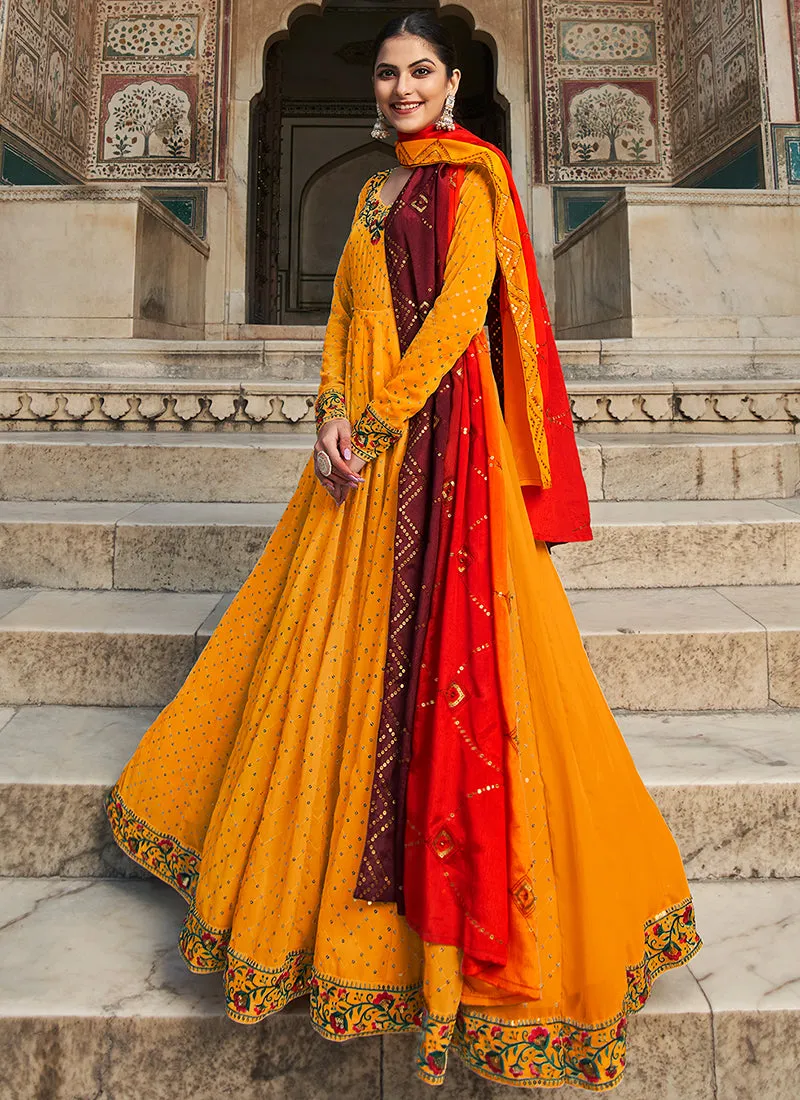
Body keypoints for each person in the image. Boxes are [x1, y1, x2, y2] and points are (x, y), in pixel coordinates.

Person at [105, 12, 701, 1091]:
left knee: (447, 665)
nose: (400, 88)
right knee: (328, 655)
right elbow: (345, 312)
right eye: (385, 74)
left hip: (441, 441)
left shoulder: (470, 183)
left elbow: (456, 316)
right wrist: (329, 405)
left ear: (455, 80)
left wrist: (375, 416)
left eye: (419, 71)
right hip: (364, 441)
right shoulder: (376, 193)